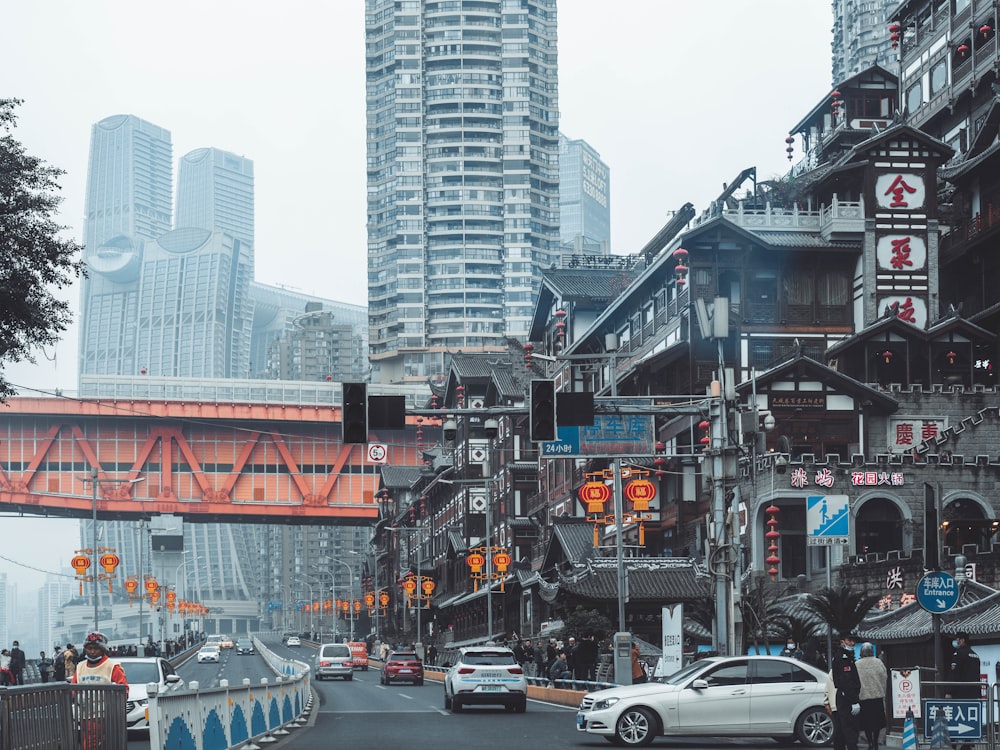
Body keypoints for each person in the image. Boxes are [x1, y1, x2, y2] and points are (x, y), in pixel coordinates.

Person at [71, 632, 128, 750]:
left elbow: (123, 689)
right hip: (85, 714)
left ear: (102, 649)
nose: (92, 651)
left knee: (94, 744)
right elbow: (73, 687)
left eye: (96, 648)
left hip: (105, 715)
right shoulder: (80, 666)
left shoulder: (112, 666)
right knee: (88, 742)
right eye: (89, 648)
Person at [947, 631, 981, 750]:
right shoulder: (975, 655)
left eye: (958, 639)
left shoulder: (958, 654)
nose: (956, 641)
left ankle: (955, 744)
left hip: (960, 692)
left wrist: (949, 691)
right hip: (973, 693)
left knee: (957, 717)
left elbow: (954, 674)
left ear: (962, 640)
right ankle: (968, 743)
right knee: (969, 717)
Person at [830, 631, 862, 750]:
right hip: (846, 698)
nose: (852, 643)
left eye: (854, 641)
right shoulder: (843, 658)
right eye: (849, 640)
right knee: (849, 729)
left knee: (841, 729)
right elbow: (846, 681)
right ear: (842, 642)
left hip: (844, 697)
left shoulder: (847, 657)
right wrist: (854, 700)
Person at [856, 643, 887, 750]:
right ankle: (876, 742)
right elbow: (884, 677)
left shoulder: (857, 664)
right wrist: (882, 690)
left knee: (866, 723)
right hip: (877, 697)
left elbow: (855, 681)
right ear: (872, 651)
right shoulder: (878, 662)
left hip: (863, 697)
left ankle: (869, 742)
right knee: (877, 723)